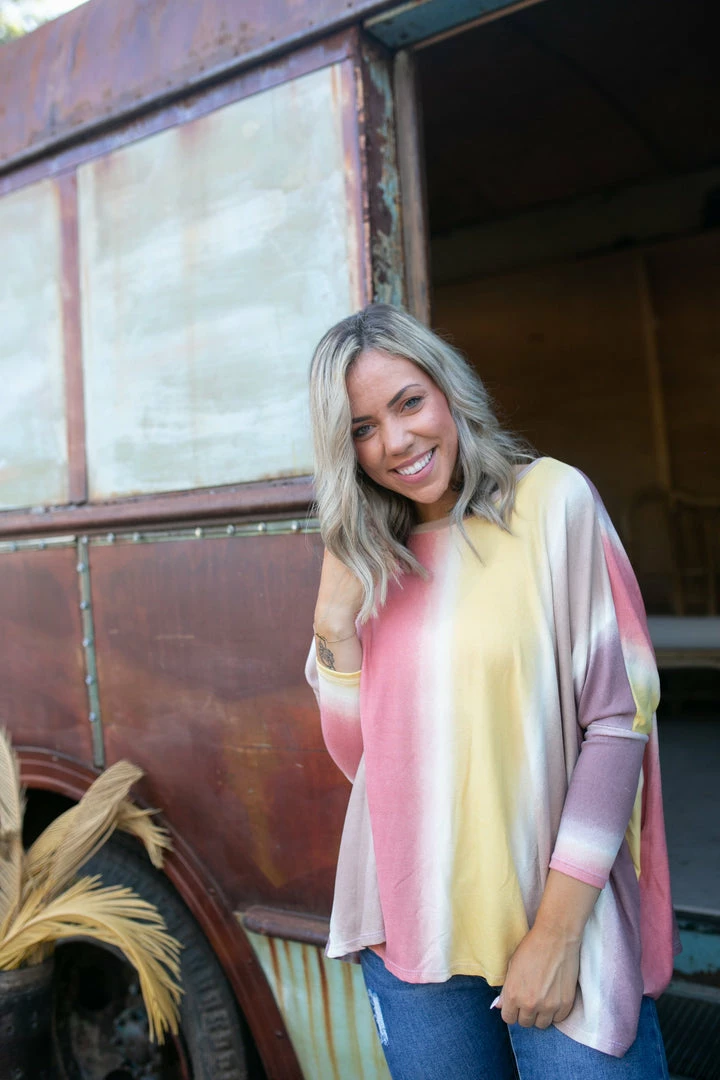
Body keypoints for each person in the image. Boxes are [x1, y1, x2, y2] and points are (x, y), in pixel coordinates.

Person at [305, 303, 677, 1079]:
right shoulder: (369, 558)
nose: (396, 441)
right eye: (363, 428)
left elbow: (618, 721)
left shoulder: (552, 502)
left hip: (560, 926)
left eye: (409, 402)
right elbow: (364, 765)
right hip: (414, 938)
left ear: (449, 391)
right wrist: (334, 630)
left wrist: (557, 935)